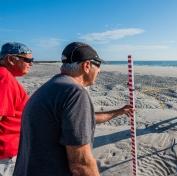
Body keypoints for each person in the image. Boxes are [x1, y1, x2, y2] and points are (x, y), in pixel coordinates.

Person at [14, 42, 134, 176]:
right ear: (87, 65)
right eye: (98, 65)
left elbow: (83, 120)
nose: (99, 70)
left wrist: (119, 112)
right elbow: (81, 164)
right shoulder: (75, 92)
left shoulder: (53, 87)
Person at [0, 42, 34, 176]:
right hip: (5, 155)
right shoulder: (4, 78)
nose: (31, 64)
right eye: (28, 60)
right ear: (10, 59)